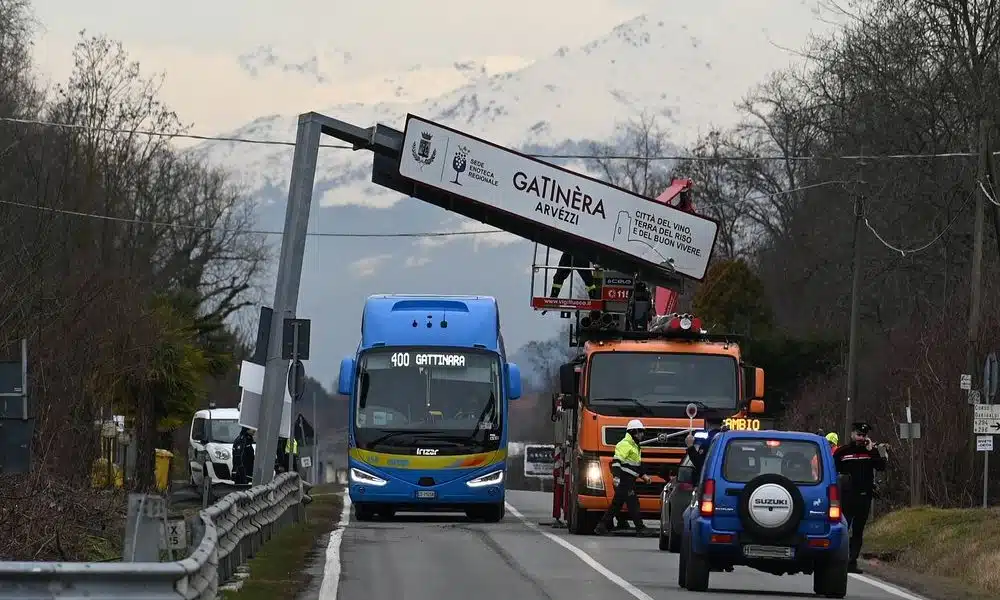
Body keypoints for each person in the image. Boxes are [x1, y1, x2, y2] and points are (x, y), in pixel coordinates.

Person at [834, 422, 887, 574]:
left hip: (864, 497)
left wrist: (873, 451)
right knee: (843, 528)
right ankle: (839, 559)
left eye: (864, 435)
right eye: (858, 434)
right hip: (847, 497)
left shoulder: (870, 452)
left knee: (858, 531)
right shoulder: (842, 452)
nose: (861, 438)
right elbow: (833, 470)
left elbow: (881, 467)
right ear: (852, 434)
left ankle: (852, 562)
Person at [596, 419, 651, 535]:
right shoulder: (624, 444)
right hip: (624, 480)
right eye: (640, 432)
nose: (642, 434)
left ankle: (602, 526)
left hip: (628, 480)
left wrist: (643, 476)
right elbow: (616, 462)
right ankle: (640, 528)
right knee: (633, 504)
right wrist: (616, 477)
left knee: (616, 505)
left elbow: (636, 464)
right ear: (633, 432)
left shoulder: (635, 446)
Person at [551, 444, 566, 528]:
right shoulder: (558, 452)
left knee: (559, 495)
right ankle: (558, 516)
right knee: (559, 494)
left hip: (562, 472)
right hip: (561, 473)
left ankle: (558, 516)